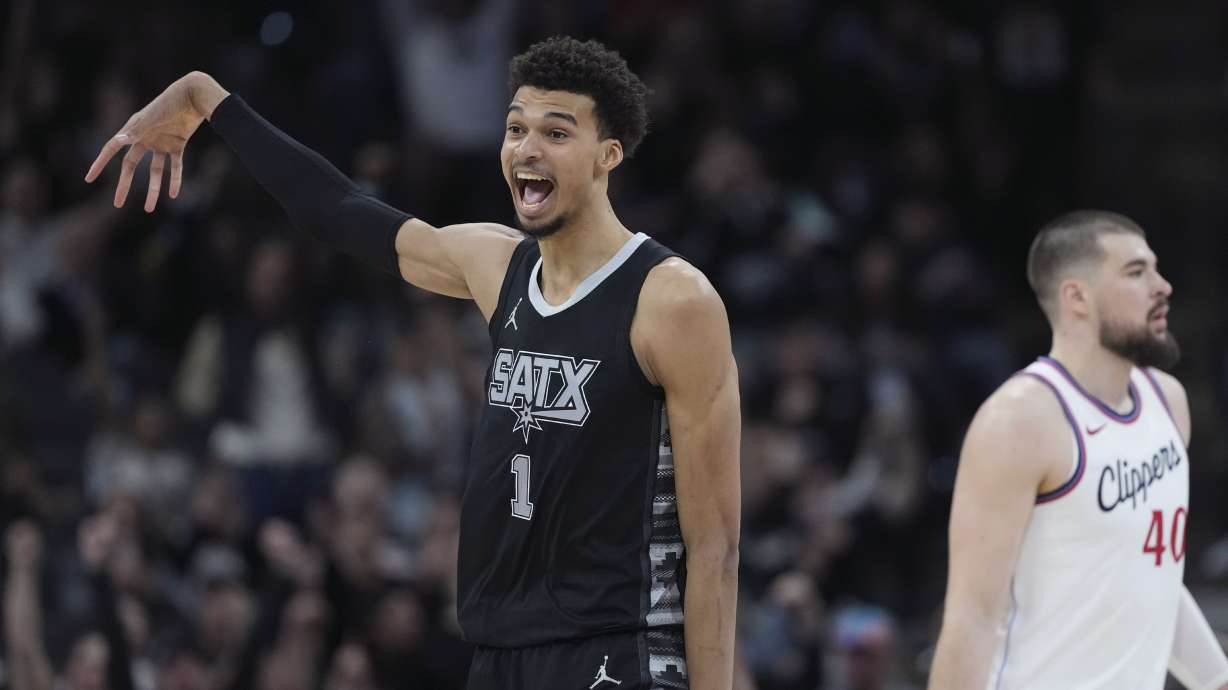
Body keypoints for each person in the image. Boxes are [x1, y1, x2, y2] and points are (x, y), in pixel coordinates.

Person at [85, 37, 741, 690]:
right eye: (515, 129)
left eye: (556, 132)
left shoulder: (673, 300)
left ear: (608, 155)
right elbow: (340, 212)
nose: (527, 149)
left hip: (615, 652)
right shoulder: (498, 265)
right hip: (499, 652)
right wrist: (210, 101)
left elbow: (714, 547)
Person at [928, 211, 1228, 689]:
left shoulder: (1168, 402)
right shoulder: (1020, 421)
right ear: (1077, 298)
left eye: (1155, 267)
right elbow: (971, 619)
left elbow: (1154, 581)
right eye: (1136, 272)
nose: (1163, 285)